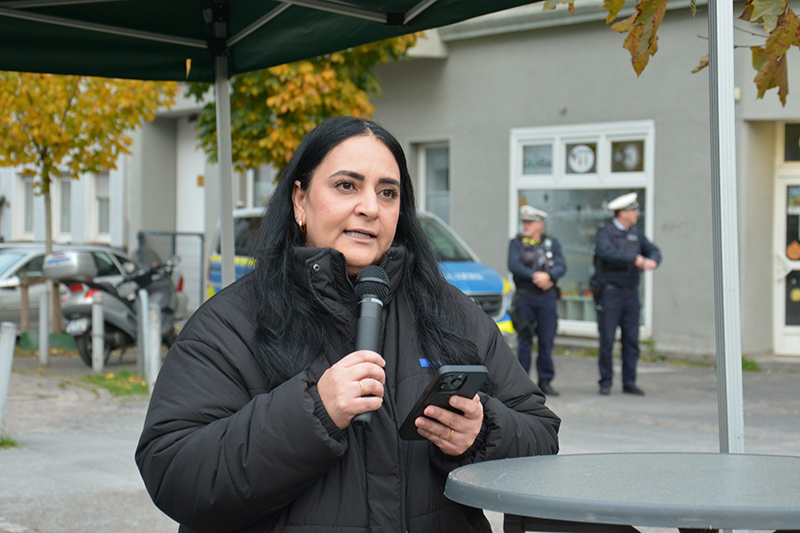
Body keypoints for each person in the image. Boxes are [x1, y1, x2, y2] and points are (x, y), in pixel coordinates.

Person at [135, 117, 560, 533]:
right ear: (299, 201)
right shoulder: (231, 322)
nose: (370, 207)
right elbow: (173, 472)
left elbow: (541, 435)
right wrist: (313, 412)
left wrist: (481, 432)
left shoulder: (450, 312)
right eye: (346, 185)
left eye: (388, 193)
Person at [593, 192, 660, 396]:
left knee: (631, 339)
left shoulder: (637, 233)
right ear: (623, 213)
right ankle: (605, 381)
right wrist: (634, 259)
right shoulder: (606, 232)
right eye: (633, 211)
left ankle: (629, 381)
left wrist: (653, 260)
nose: (636, 214)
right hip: (610, 293)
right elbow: (606, 252)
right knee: (607, 339)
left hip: (630, 293)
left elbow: (653, 250)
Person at [507, 205, 566, 396]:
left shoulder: (551, 243)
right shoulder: (516, 243)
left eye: (530, 222)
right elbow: (514, 265)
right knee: (525, 341)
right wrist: (536, 276)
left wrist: (549, 277)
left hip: (547, 298)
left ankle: (545, 380)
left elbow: (561, 265)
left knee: (546, 341)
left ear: (540, 224)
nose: (526, 225)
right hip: (526, 297)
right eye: (524, 222)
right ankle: (522, 383)